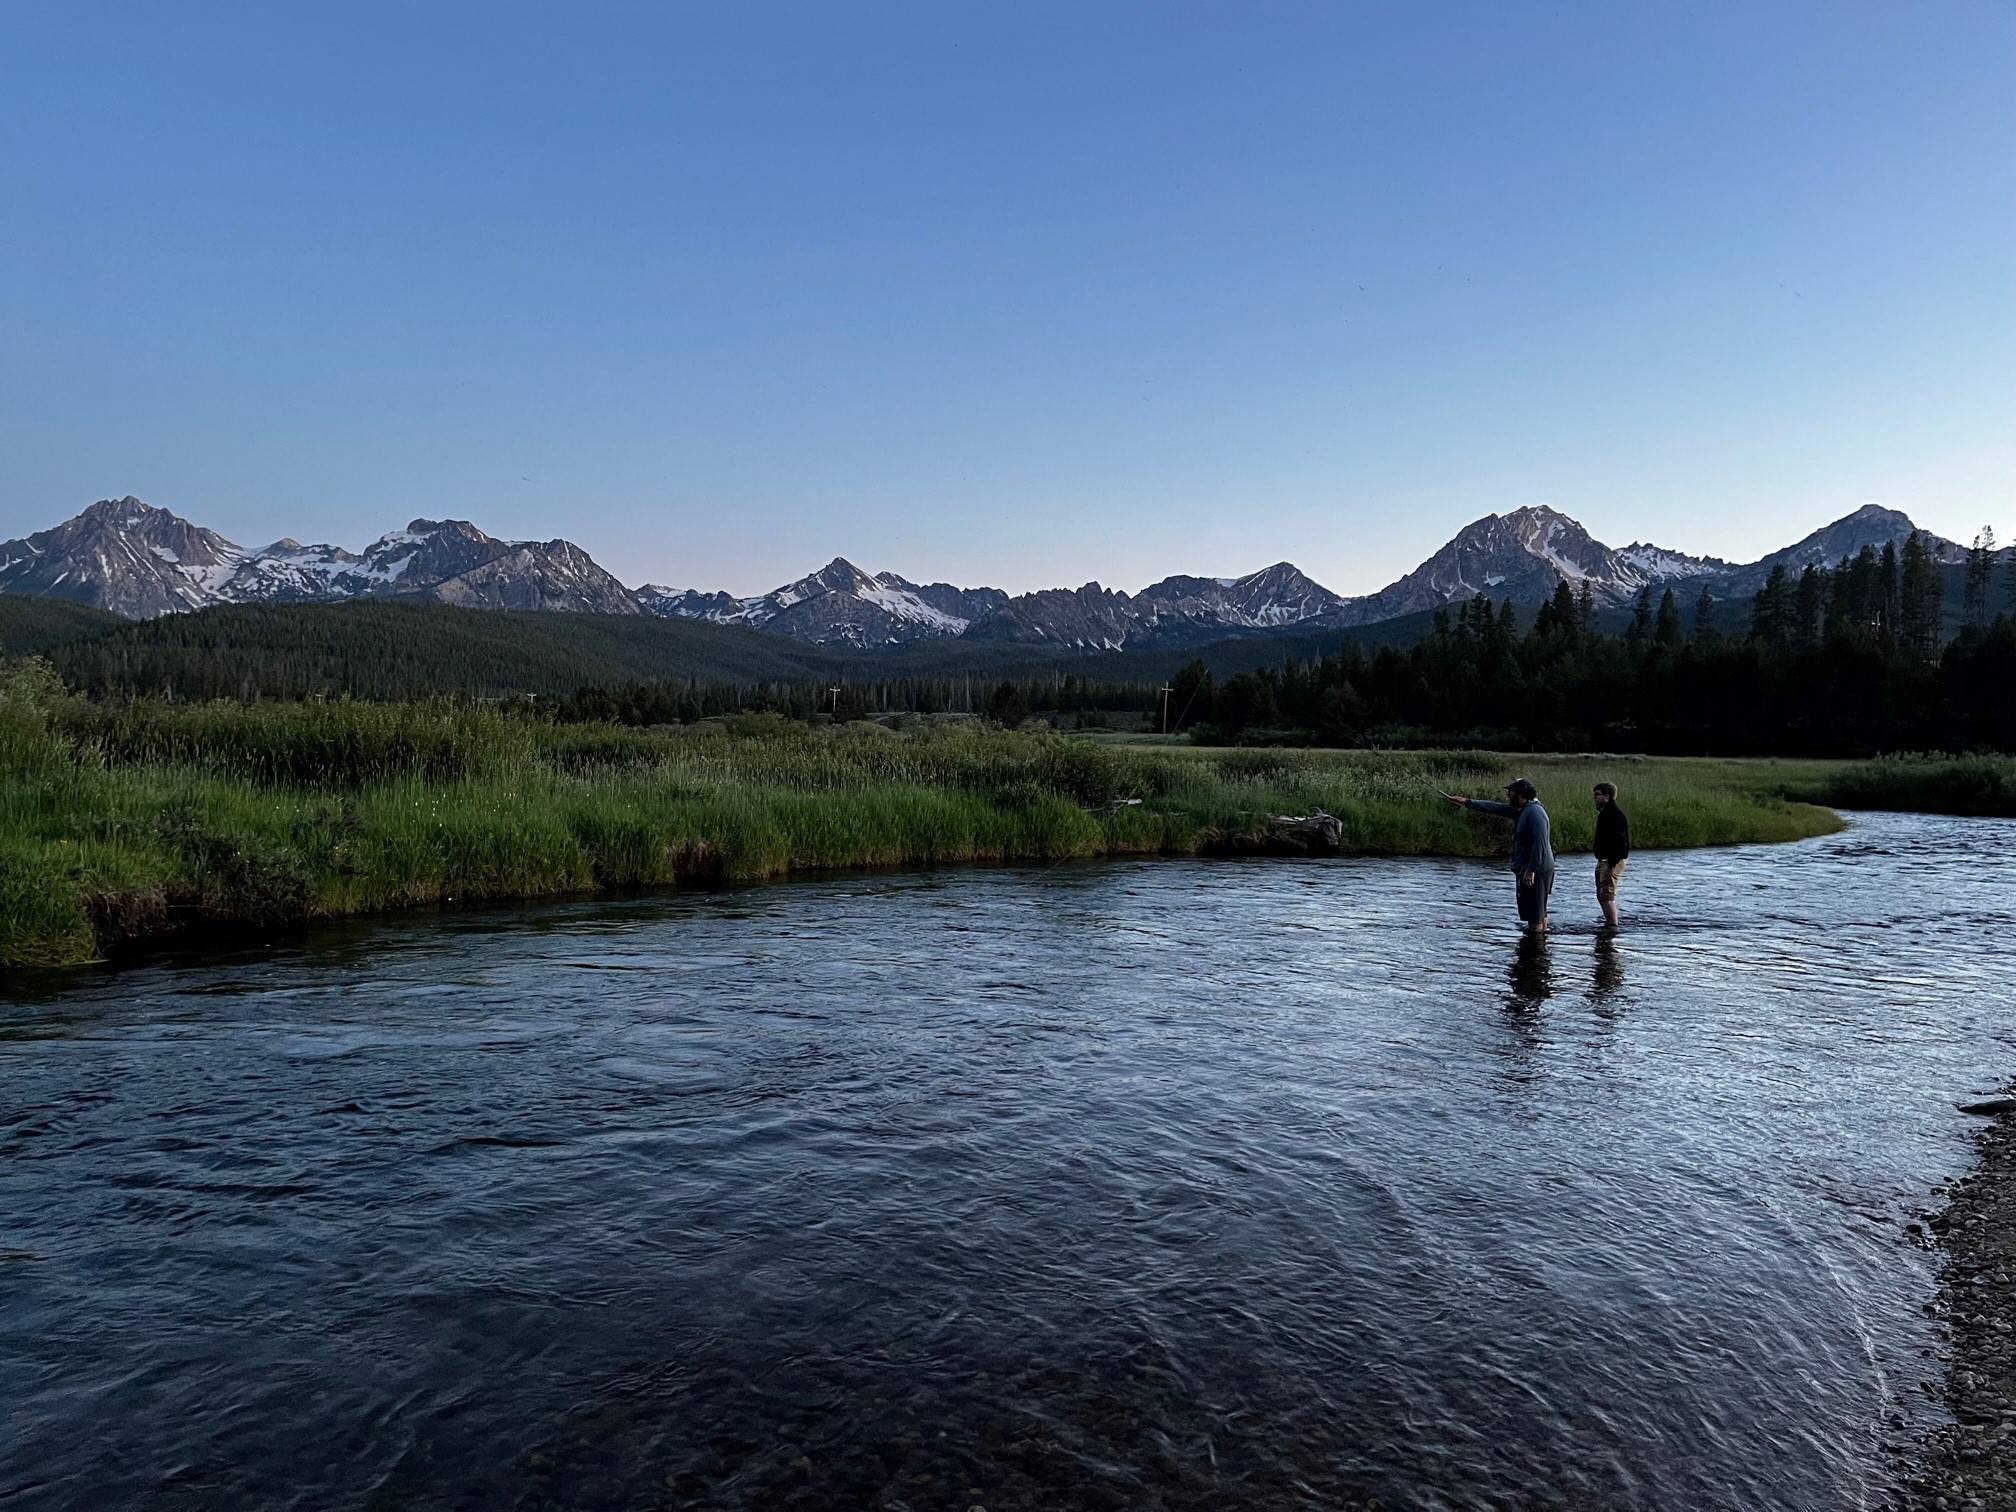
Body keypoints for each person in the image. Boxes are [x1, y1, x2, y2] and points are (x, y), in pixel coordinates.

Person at [1446, 779, 1555, 934]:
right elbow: (1494, 808)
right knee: (1538, 912)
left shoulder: (1535, 813)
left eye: (1510, 792)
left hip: (1536, 870)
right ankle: (1541, 947)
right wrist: (1466, 802)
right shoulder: (1522, 809)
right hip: (1533, 868)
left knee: (1535, 916)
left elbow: (1540, 843)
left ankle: (1535, 951)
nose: (1508, 795)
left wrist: (1531, 869)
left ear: (1520, 794)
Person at [1592, 781, 1630, 929]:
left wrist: (1612, 861)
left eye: (1597, 795)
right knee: (1602, 895)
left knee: (1607, 896)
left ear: (1607, 796)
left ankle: (1612, 927)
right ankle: (1609, 923)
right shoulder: (1606, 814)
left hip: (1611, 861)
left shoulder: (1614, 815)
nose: (1594, 798)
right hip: (1604, 860)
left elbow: (1622, 842)